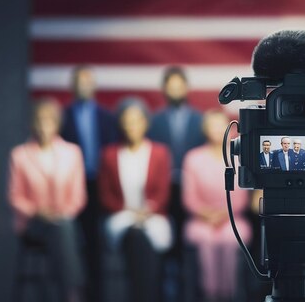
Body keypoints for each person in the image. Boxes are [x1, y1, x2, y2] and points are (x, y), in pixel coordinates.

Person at [8, 98, 86, 302]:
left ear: (57, 123)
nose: (44, 126)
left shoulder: (72, 153)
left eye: (49, 120)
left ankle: (63, 293)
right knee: (63, 231)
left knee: (63, 228)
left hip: (64, 220)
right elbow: (15, 196)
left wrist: (62, 214)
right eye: (40, 120)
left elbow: (78, 197)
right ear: (33, 123)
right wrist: (37, 211)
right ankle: (72, 294)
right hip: (33, 224)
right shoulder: (20, 155)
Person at [98, 98, 172, 302]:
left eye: (137, 120)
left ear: (145, 123)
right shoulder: (109, 154)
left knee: (144, 237)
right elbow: (105, 195)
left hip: (154, 216)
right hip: (121, 217)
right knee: (135, 235)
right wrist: (130, 212)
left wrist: (146, 211)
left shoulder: (159, 153)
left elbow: (162, 193)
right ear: (121, 123)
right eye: (127, 121)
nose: (132, 126)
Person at [60, 65, 117, 299]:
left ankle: (97, 294)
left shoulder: (106, 116)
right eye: (79, 81)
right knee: (71, 243)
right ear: (72, 86)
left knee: (96, 243)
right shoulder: (63, 117)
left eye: (88, 81)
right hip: (70, 187)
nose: (84, 86)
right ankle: (74, 291)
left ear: (94, 85)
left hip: (99, 185)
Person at [182, 110, 251, 301]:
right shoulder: (193, 158)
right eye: (212, 125)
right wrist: (206, 214)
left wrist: (223, 215)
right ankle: (209, 294)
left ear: (230, 129)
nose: (217, 130)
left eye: (220, 124)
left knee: (230, 239)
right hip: (201, 219)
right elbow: (189, 197)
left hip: (232, 218)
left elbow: (242, 197)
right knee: (204, 239)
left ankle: (230, 294)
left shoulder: (239, 157)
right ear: (205, 129)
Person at [147, 66, 206, 253]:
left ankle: (188, 276)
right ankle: (170, 272)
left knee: (191, 233)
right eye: (171, 87)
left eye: (179, 86)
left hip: (194, 185)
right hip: (165, 184)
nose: (175, 91)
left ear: (186, 88)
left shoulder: (199, 119)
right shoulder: (154, 120)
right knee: (167, 231)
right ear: (164, 89)